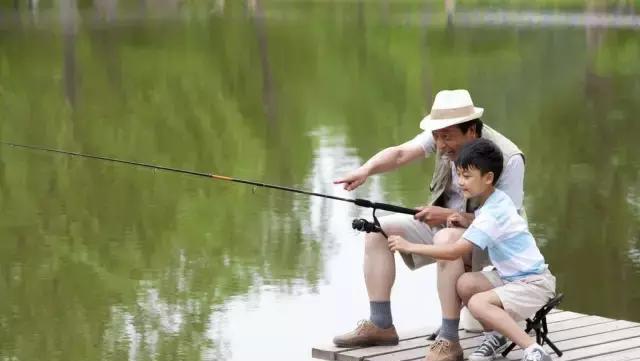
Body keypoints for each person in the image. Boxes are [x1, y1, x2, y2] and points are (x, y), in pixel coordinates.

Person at [332, 89, 526, 359]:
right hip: (444, 226)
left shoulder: (509, 159)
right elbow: (400, 154)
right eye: (437, 137)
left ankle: (449, 340)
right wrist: (366, 170)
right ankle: (381, 324)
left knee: (447, 239)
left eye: (447, 137)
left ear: (471, 131)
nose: (441, 144)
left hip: (488, 243)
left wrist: (447, 217)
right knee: (377, 228)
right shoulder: (442, 136)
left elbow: (508, 225)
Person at [388, 138, 556, 361]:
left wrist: (409, 246)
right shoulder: (495, 201)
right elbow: (485, 222)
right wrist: (466, 220)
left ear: (488, 178)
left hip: (533, 284)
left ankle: (533, 349)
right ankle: (496, 337)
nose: (460, 182)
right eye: (459, 174)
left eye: (467, 176)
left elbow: (454, 251)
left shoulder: (492, 213)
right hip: (511, 278)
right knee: (465, 284)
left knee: (477, 302)